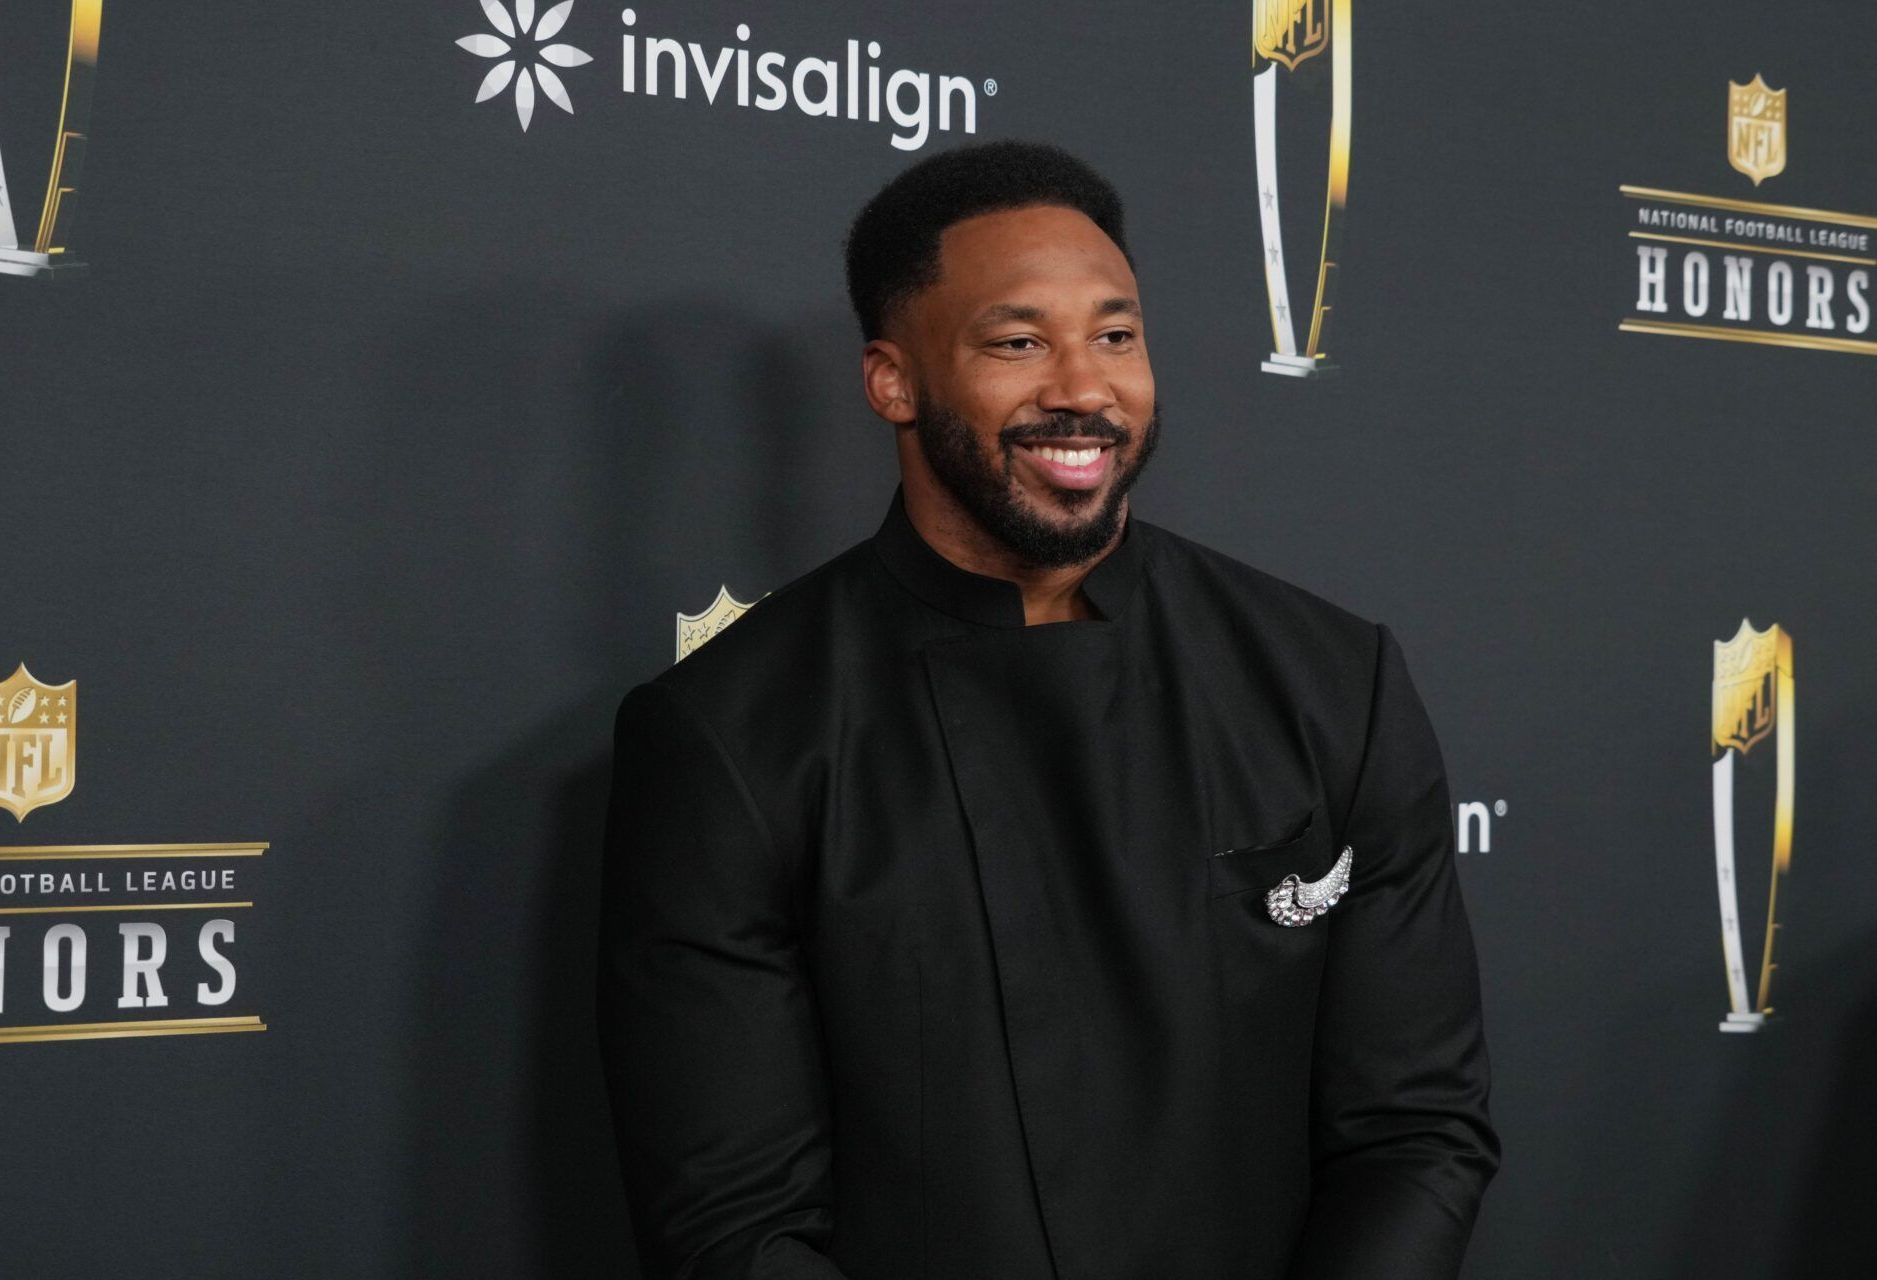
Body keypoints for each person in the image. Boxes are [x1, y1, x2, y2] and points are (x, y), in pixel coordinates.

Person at [596, 138, 1500, 1279]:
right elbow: (735, 1224)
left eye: (1115, 336)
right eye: (1018, 342)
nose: (1083, 388)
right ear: (893, 379)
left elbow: (1417, 1130)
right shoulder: (731, 736)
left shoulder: (1332, 679)